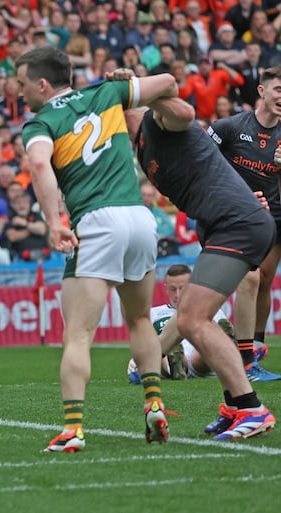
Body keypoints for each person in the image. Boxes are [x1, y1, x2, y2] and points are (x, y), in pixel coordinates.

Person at [16, 47, 179, 452]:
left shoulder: (41, 122)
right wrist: (129, 81)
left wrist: (55, 222)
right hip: (140, 219)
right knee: (140, 319)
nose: (19, 93)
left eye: (21, 84)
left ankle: (73, 428)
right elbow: (170, 83)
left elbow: (39, 166)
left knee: (77, 335)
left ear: (41, 83)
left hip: (96, 222)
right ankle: (154, 403)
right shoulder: (106, 93)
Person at [118, 79, 276, 441]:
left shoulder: (155, 121)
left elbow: (185, 110)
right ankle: (235, 405)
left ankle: (251, 407)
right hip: (224, 226)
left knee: (191, 319)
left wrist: (148, 90)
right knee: (188, 316)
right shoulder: (141, 147)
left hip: (236, 224)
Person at [207, 67, 281, 382]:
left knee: (263, 280)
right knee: (235, 284)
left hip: (274, 214)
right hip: (233, 216)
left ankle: (256, 349)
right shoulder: (230, 126)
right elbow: (200, 159)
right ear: (262, 91)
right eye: (279, 90)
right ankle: (244, 357)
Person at [127, 264, 235, 383]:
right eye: (173, 289)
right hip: (166, 357)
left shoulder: (210, 310)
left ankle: (223, 343)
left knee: (205, 347)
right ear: (166, 288)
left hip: (200, 357)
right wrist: (137, 359)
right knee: (158, 347)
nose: (177, 295)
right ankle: (175, 365)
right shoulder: (153, 313)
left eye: (182, 288)